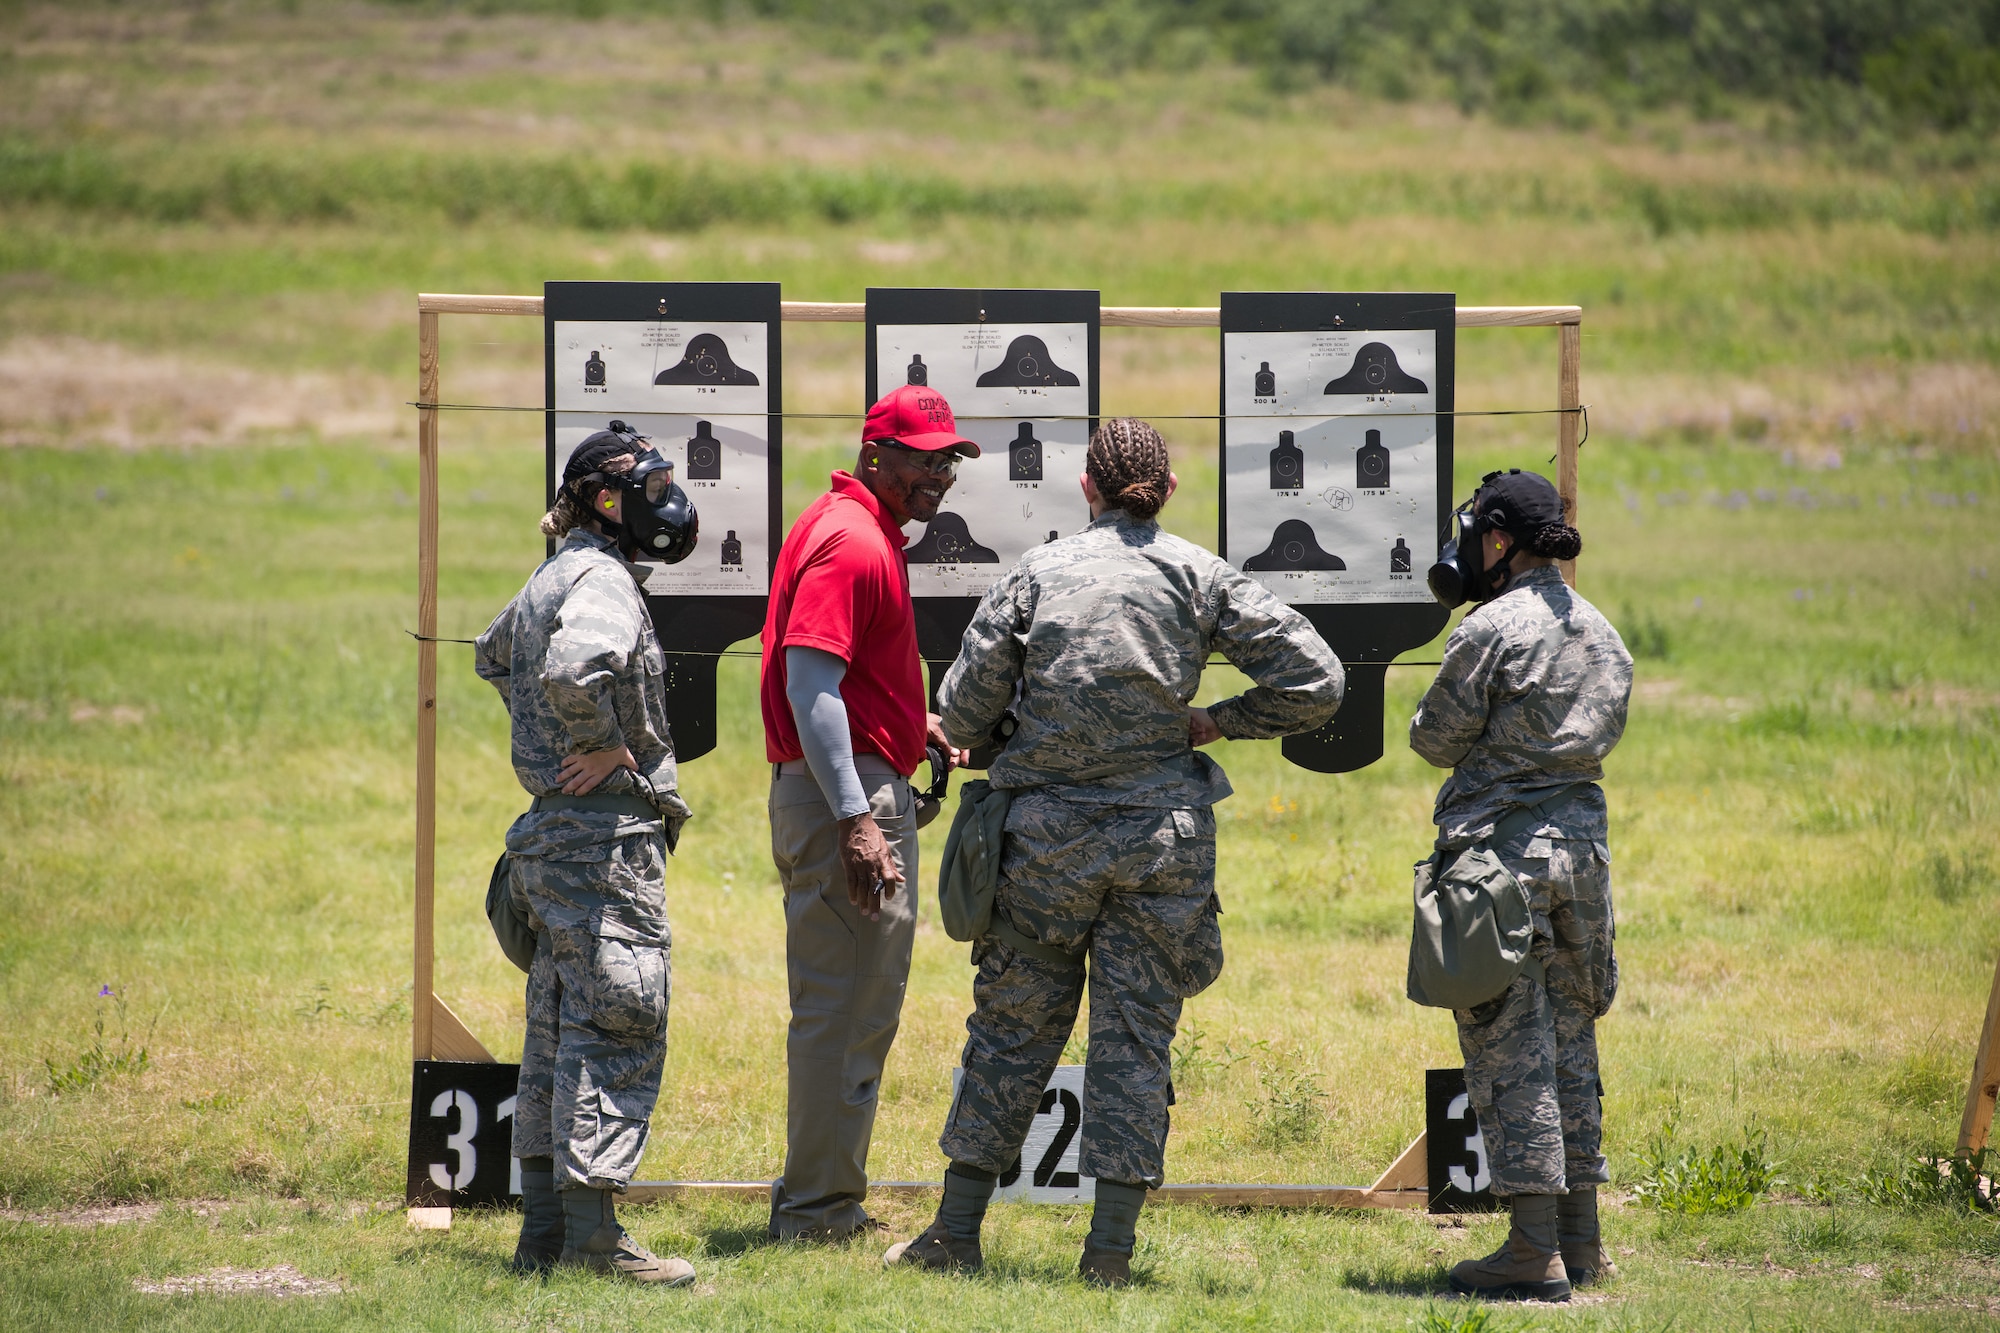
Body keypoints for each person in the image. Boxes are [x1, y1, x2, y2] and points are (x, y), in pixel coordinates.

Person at [886, 418, 1346, 1286]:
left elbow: (966, 706)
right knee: (1135, 1040)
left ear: (1086, 489)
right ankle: (1108, 1255)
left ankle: (954, 1233)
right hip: (1160, 847)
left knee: (1012, 1030)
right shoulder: (1200, 574)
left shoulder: (1036, 573)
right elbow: (1318, 679)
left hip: (1045, 847)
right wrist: (1218, 720)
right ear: (1165, 492)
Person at [473, 424, 699, 1285]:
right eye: (650, 485)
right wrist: (603, 744)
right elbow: (573, 670)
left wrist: (545, 744)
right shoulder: (601, 578)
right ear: (609, 500)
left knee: (555, 1033)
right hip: (603, 843)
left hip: (549, 839)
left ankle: (543, 1235)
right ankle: (598, 1238)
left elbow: (497, 653)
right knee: (616, 1026)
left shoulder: (553, 573)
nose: (666, 500)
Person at [1409, 468, 1633, 1301]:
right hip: (1584, 857)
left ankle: (1531, 1250)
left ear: (1499, 539)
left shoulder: (1489, 630)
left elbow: (1434, 739)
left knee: (1510, 1041)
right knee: (1573, 1036)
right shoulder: (1605, 632)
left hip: (1502, 859)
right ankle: (1582, 1238)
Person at [760, 384, 974, 1241]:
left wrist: (897, 717)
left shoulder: (854, 525)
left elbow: (833, 680)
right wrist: (856, 815)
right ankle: (817, 1211)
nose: (940, 475)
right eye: (924, 458)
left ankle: (820, 1198)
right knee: (846, 1011)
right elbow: (807, 681)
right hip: (837, 799)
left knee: (847, 1005)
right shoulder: (854, 541)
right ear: (876, 453)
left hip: (839, 782)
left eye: (949, 459)